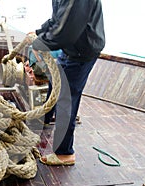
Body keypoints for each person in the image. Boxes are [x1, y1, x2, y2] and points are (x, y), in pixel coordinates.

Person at [30, 0, 105, 165]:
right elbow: (58, 19)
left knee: (66, 98)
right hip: (72, 47)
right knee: (55, 82)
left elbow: (66, 31)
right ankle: (45, 117)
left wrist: (41, 43)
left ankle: (64, 153)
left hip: (81, 51)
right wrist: (39, 32)